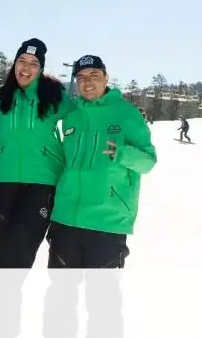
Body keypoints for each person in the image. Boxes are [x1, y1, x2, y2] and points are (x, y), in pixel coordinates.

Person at [50, 55, 156, 269]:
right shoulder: (72, 116)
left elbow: (148, 161)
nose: (87, 82)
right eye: (80, 77)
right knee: (60, 294)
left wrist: (121, 153)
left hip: (107, 221)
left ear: (106, 78)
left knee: (102, 297)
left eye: (94, 75)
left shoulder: (127, 113)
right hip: (66, 218)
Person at [0, 38, 72, 268]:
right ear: (14, 64)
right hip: (5, 179)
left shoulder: (54, 96)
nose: (26, 67)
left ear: (41, 68)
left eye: (33, 63)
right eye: (21, 61)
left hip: (42, 183)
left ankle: (8, 298)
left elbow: (82, 117)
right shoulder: (2, 98)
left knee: (22, 247)